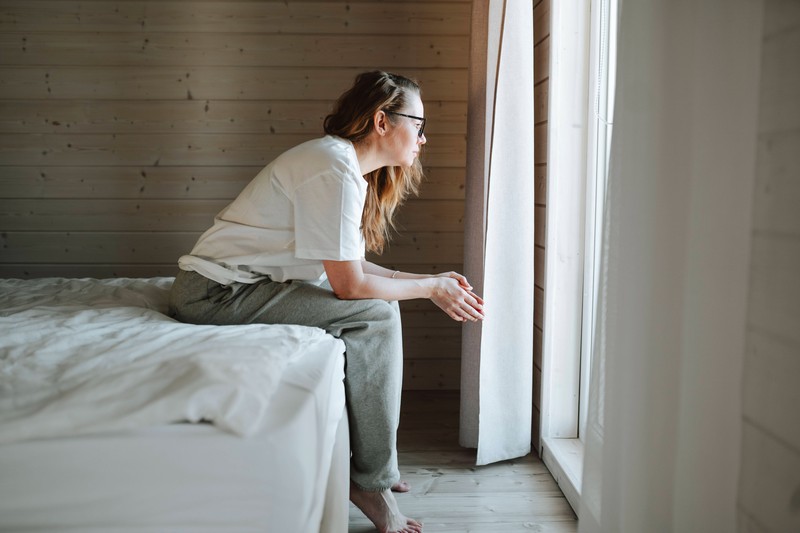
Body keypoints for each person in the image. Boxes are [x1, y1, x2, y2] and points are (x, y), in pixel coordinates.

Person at [169, 70, 484, 533]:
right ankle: (371, 484)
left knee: (384, 305)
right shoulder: (333, 169)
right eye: (418, 124)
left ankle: (380, 466)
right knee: (375, 314)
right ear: (382, 121)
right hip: (215, 295)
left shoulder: (338, 164)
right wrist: (430, 288)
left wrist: (430, 280)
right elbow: (350, 287)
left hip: (232, 287)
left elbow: (345, 269)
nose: (423, 138)